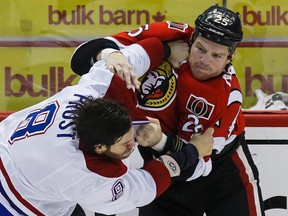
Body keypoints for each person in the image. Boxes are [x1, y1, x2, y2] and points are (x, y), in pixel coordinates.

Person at [70, 4, 265, 216]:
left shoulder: (225, 96)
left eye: (216, 56)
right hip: (161, 165)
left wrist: (159, 141)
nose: (204, 61)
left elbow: (196, 166)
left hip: (223, 173)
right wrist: (112, 54)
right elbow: (81, 57)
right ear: (192, 38)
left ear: (230, 57)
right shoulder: (173, 33)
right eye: (200, 49)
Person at [0, 39, 214, 215]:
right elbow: (144, 186)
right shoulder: (83, 172)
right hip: (14, 204)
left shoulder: (91, 91)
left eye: (131, 133)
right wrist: (191, 152)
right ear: (100, 148)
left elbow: (125, 60)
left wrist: (164, 49)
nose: (134, 143)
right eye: (125, 143)